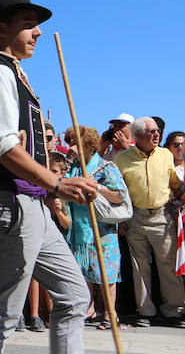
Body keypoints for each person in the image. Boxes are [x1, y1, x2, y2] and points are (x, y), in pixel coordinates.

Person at [0, 0, 96, 354]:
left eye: (36, 26)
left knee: (73, 294)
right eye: (29, 25)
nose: (37, 33)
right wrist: (58, 182)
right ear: (1, 30)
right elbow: (4, 148)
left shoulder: (15, 76)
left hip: (31, 204)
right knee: (1, 312)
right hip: (11, 204)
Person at [114, 116, 185, 328]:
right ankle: (145, 311)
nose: (157, 134)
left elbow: (174, 184)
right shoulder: (122, 158)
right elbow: (118, 190)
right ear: (137, 136)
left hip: (162, 216)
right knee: (139, 267)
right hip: (135, 217)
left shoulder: (165, 155)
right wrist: (120, 220)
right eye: (151, 131)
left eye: (157, 131)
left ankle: (174, 311)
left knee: (168, 265)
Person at [64, 126, 126, 331]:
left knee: (106, 274)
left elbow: (119, 196)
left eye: (75, 142)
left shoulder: (106, 167)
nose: (71, 146)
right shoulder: (70, 167)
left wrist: (97, 186)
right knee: (81, 272)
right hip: (78, 229)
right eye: (69, 141)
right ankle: (87, 310)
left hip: (102, 229)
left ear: (88, 145)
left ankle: (110, 314)